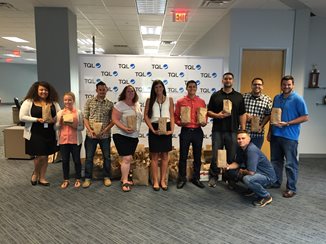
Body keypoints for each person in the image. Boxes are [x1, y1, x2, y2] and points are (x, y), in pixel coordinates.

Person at [268, 75, 309, 198]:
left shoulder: (298, 99)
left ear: (293, 85)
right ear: (281, 85)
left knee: (290, 163)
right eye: (284, 84)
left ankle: (291, 188)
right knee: (276, 161)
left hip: (290, 137)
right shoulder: (277, 98)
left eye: (289, 84)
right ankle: (276, 182)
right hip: (276, 135)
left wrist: (288, 123)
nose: (286, 86)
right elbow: (273, 116)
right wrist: (270, 131)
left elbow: (305, 117)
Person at [207, 72, 246, 187]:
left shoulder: (239, 96)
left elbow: (242, 114)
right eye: (225, 79)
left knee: (231, 155)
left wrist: (243, 129)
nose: (228, 80)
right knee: (216, 155)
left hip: (233, 131)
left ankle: (229, 177)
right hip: (218, 130)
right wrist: (217, 115)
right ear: (222, 81)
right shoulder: (215, 95)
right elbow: (208, 112)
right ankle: (214, 176)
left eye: (230, 79)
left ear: (232, 81)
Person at [19, 81, 61, 186]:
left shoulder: (53, 103)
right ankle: (35, 173)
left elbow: (60, 114)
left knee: (45, 155)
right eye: (41, 89)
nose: (44, 92)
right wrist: (36, 119)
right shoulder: (29, 102)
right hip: (35, 132)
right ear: (36, 90)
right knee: (40, 155)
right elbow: (22, 117)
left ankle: (42, 178)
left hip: (49, 132)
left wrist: (54, 120)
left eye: (46, 90)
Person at [223, 130, 276, 207]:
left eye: (243, 138)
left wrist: (242, 171)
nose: (240, 140)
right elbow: (237, 163)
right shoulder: (240, 148)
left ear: (249, 139)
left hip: (268, 177)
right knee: (231, 171)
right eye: (239, 139)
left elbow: (251, 172)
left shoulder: (251, 150)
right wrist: (227, 167)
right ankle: (253, 188)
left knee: (247, 179)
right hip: (257, 173)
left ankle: (266, 196)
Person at [174, 80, 207, 189]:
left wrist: (204, 122)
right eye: (190, 86)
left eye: (194, 86)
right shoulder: (180, 101)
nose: (192, 88)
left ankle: (196, 178)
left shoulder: (201, 101)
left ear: (196, 88)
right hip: (186, 131)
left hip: (198, 131)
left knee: (197, 156)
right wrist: (180, 123)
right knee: (183, 156)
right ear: (187, 88)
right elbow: (175, 116)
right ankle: (182, 178)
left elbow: (205, 116)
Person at [82, 81, 114, 188]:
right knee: (89, 157)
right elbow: (85, 118)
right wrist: (90, 130)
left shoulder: (110, 104)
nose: (102, 91)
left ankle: (106, 177)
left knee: (107, 157)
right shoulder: (89, 102)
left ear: (106, 90)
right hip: (91, 135)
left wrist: (105, 130)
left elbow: (113, 120)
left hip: (105, 136)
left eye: (104, 89)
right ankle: (87, 178)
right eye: (100, 89)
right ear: (96, 90)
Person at [144, 80, 174, 191]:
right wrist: (152, 129)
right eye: (156, 87)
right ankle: (156, 180)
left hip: (166, 127)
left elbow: (172, 115)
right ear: (153, 89)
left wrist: (171, 130)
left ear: (163, 88)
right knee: (155, 156)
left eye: (160, 87)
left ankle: (163, 180)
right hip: (154, 128)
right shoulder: (149, 100)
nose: (158, 89)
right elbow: (146, 116)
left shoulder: (170, 100)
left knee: (165, 156)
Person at [112, 85, 142, 192]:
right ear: (124, 93)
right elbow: (114, 119)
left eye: (132, 91)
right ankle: (125, 181)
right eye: (128, 91)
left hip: (133, 136)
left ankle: (122, 177)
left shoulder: (137, 104)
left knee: (128, 159)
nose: (130, 93)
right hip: (121, 134)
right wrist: (124, 128)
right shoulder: (119, 105)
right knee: (127, 158)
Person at [55, 92, 84, 189]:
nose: (67, 102)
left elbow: (82, 127)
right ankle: (66, 179)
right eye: (65, 100)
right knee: (65, 161)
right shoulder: (60, 113)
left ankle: (78, 178)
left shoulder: (78, 112)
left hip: (75, 141)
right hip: (63, 141)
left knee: (76, 160)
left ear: (73, 101)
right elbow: (55, 128)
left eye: (69, 100)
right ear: (63, 101)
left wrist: (73, 125)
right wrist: (59, 123)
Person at [243, 78, 272, 148]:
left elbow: (268, 115)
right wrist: (245, 115)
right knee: (241, 156)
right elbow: (238, 112)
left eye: (259, 84)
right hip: (244, 133)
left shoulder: (267, 99)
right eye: (255, 84)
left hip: (258, 134)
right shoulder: (243, 97)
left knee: (255, 156)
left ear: (262, 86)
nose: (257, 86)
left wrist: (261, 125)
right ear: (251, 86)